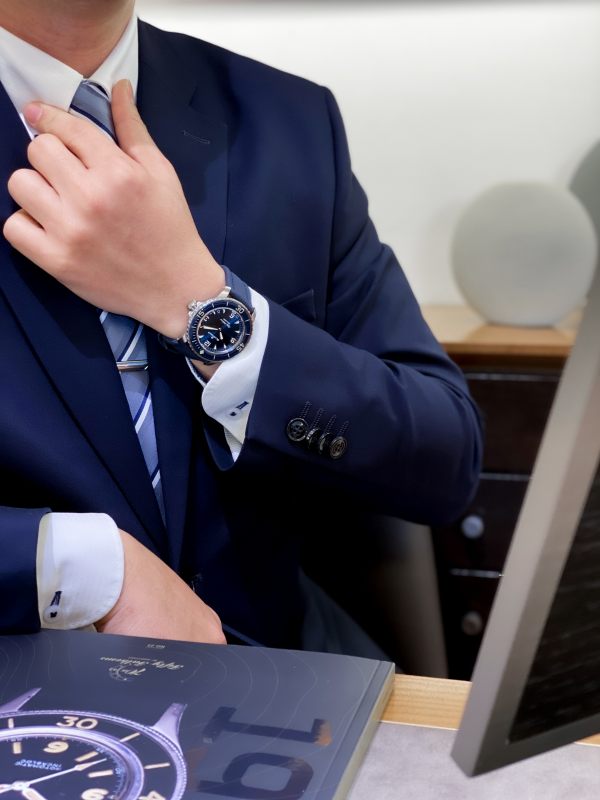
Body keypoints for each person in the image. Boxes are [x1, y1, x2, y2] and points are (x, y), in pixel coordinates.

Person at [0, 0, 482, 653]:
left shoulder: (291, 120)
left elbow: (443, 460)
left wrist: (201, 303)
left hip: (282, 672)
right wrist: (77, 567)